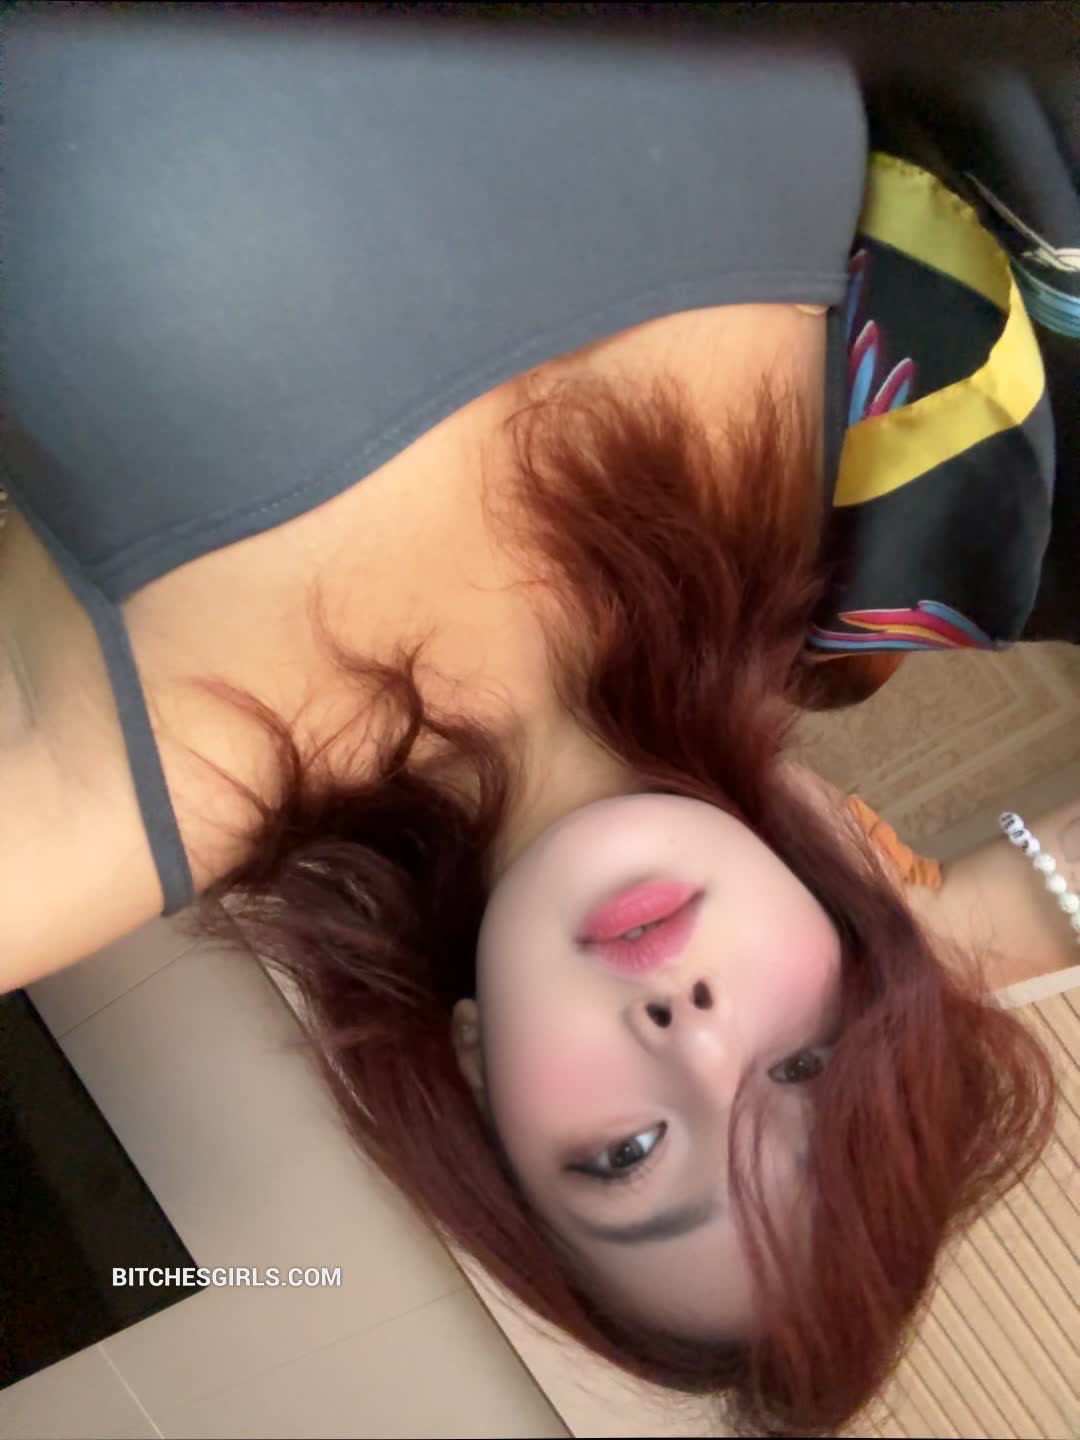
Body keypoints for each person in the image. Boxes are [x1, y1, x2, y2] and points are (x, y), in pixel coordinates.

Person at [1, 9, 1075, 1435]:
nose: (691, 1037)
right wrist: (958, 944)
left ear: (474, 1078)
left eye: (627, 1153)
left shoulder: (165, 787)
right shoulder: (882, 526)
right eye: (806, 1066)